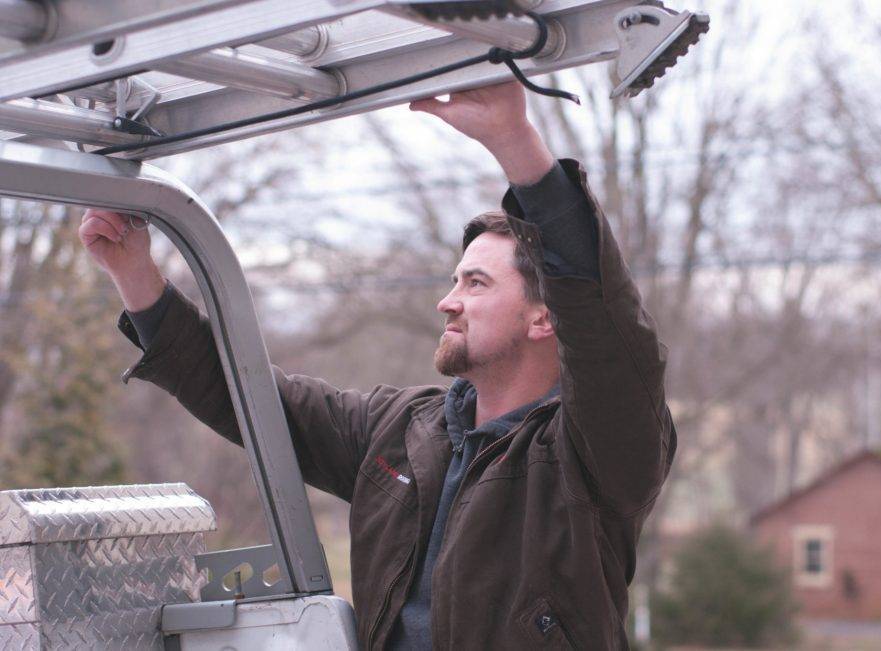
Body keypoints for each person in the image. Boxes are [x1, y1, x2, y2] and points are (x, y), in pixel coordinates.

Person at [80, 80, 676, 650]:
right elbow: (254, 401)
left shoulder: (594, 452)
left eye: (476, 283)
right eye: (453, 280)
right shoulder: (400, 430)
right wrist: (135, 274)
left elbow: (604, 324)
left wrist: (515, 142)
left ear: (545, 318)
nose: (448, 300)